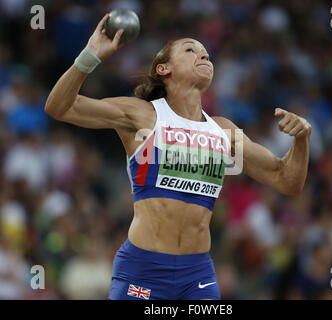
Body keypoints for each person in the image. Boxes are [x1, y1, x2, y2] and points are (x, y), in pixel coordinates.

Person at [45, 14, 312, 300]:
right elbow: (59, 107)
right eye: (190, 50)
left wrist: (302, 139)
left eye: (205, 52)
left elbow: (287, 181)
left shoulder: (223, 130)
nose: (204, 55)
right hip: (143, 269)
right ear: (164, 68)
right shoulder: (141, 114)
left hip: (197, 276)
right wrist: (90, 56)